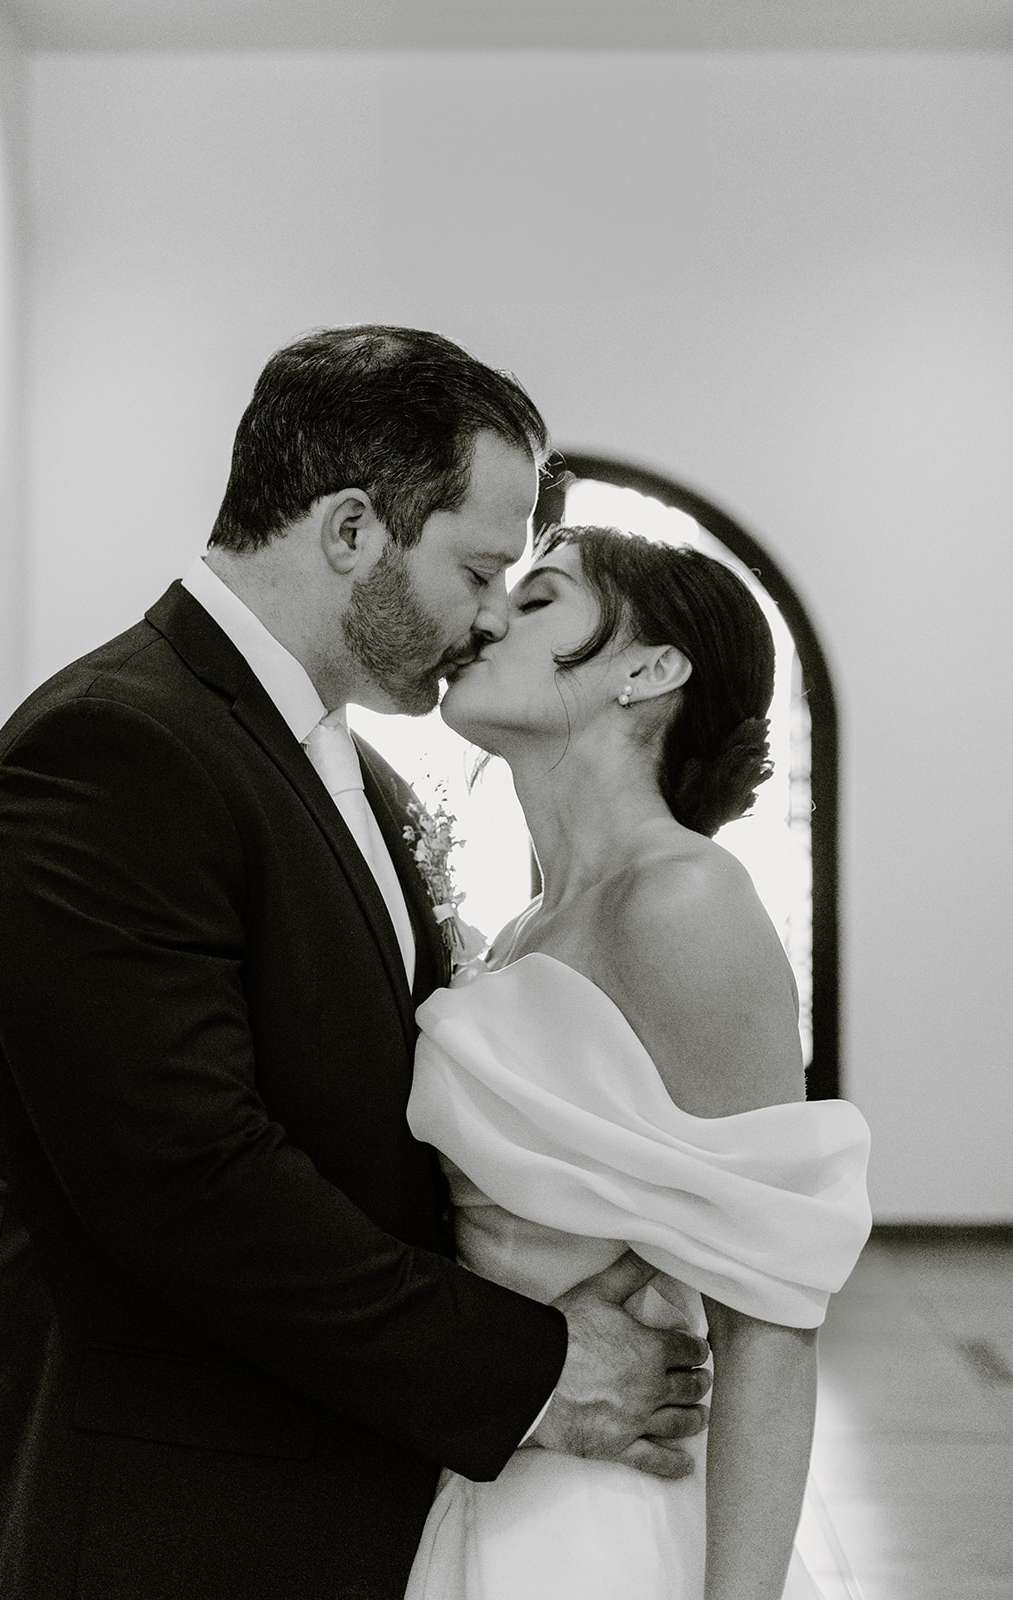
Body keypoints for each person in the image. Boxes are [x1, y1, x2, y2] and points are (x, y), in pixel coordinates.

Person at [0, 330, 711, 1600]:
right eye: (478, 569)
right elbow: (189, 1183)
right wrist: (529, 1364)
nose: (488, 616)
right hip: (159, 1519)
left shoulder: (351, 764)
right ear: (351, 529)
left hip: (328, 1488)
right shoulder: (109, 750)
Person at [403, 526, 872, 1600]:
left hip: (607, 1520)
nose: (485, 618)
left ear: (650, 670)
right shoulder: (522, 930)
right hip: (501, 1465)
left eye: (538, 599)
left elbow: (770, 1320)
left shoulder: (683, 902)